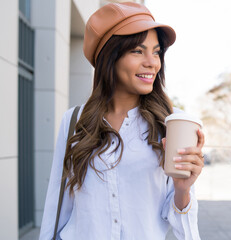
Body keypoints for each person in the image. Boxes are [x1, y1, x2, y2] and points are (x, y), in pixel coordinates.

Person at [39, 2, 205, 240]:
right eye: (138, 51)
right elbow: (57, 203)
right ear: (110, 57)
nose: (152, 62)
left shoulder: (171, 122)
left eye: (156, 51)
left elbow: (183, 230)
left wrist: (183, 189)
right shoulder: (74, 120)